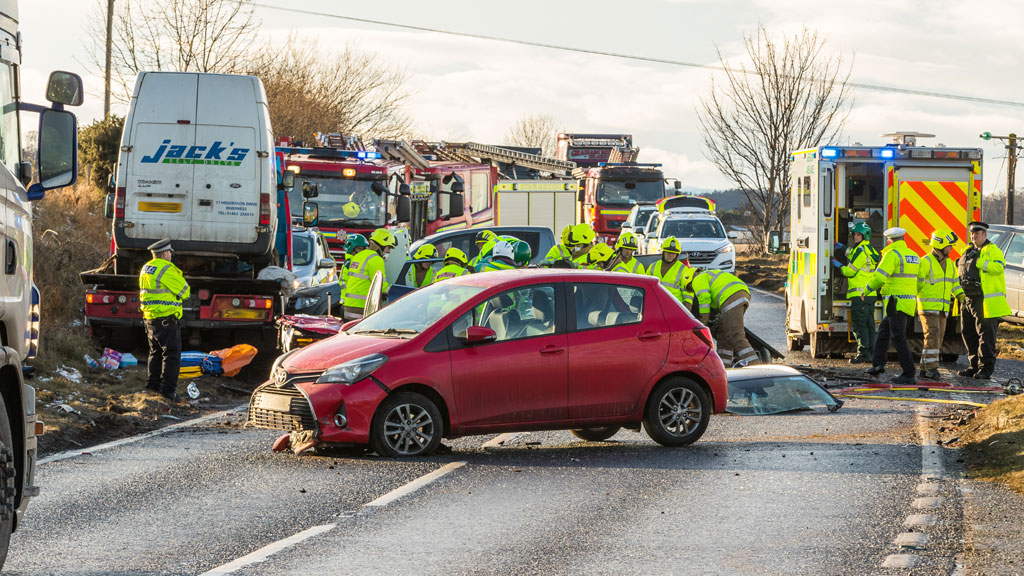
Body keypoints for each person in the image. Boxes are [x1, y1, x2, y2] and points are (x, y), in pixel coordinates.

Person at [865, 227, 920, 385]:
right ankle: (878, 364)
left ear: (889, 240)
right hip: (907, 301)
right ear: (903, 239)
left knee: (898, 337)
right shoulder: (913, 255)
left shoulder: (892, 254)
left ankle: (909, 373)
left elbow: (880, 277)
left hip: (895, 301)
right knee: (883, 332)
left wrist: (867, 288)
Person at [957, 221, 1011, 379]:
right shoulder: (968, 250)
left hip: (984, 300)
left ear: (984, 234)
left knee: (985, 336)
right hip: (968, 299)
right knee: (968, 333)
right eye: (972, 233)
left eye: (977, 233)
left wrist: (980, 263)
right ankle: (973, 366)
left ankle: (985, 369)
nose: (973, 236)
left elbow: (999, 267)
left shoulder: (992, 250)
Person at [139, 238, 190, 401]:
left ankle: (152, 387)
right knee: (172, 355)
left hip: (150, 318)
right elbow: (185, 291)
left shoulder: (146, 268)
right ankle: (168, 392)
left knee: (155, 352)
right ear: (165, 253)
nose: (171, 255)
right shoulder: (166, 269)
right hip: (165, 317)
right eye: (170, 252)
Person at [916, 228, 965, 380]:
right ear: (940, 244)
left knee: (938, 338)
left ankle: (924, 368)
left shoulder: (950, 264)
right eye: (949, 246)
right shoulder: (925, 262)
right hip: (928, 307)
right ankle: (931, 369)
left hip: (943, 309)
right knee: (933, 335)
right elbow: (916, 285)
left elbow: (954, 284)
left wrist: (962, 297)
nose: (951, 248)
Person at [688, 269, 757, 367]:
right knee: (724, 334)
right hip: (739, 293)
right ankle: (725, 367)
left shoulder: (697, 279)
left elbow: (704, 298)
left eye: (689, 288)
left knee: (735, 334)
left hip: (730, 297)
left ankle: (755, 366)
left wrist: (704, 321)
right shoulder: (709, 274)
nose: (692, 291)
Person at [833, 222, 881, 363]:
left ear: (864, 235)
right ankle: (870, 352)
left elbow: (850, 271)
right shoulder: (868, 249)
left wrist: (838, 265)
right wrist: (842, 248)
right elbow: (853, 254)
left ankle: (863, 354)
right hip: (869, 295)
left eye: (858, 234)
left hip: (859, 296)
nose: (855, 236)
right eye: (854, 234)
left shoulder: (861, 251)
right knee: (869, 325)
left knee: (859, 325)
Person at [343, 228, 395, 320]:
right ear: (382, 244)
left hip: (348, 308)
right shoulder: (375, 259)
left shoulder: (359, 256)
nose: (389, 251)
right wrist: (398, 292)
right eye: (388, 247)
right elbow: (382, 286)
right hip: (362, 309)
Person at [646, 236, 688, 303]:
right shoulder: (653, 266)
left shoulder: (683, 269)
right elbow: (646, 286)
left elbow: (687, 292)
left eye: (673, 253)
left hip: (674, 305)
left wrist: (686, 307)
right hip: (655, 302)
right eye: (668, 252)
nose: (671, 255)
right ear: (663, 252)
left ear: (677, 254)